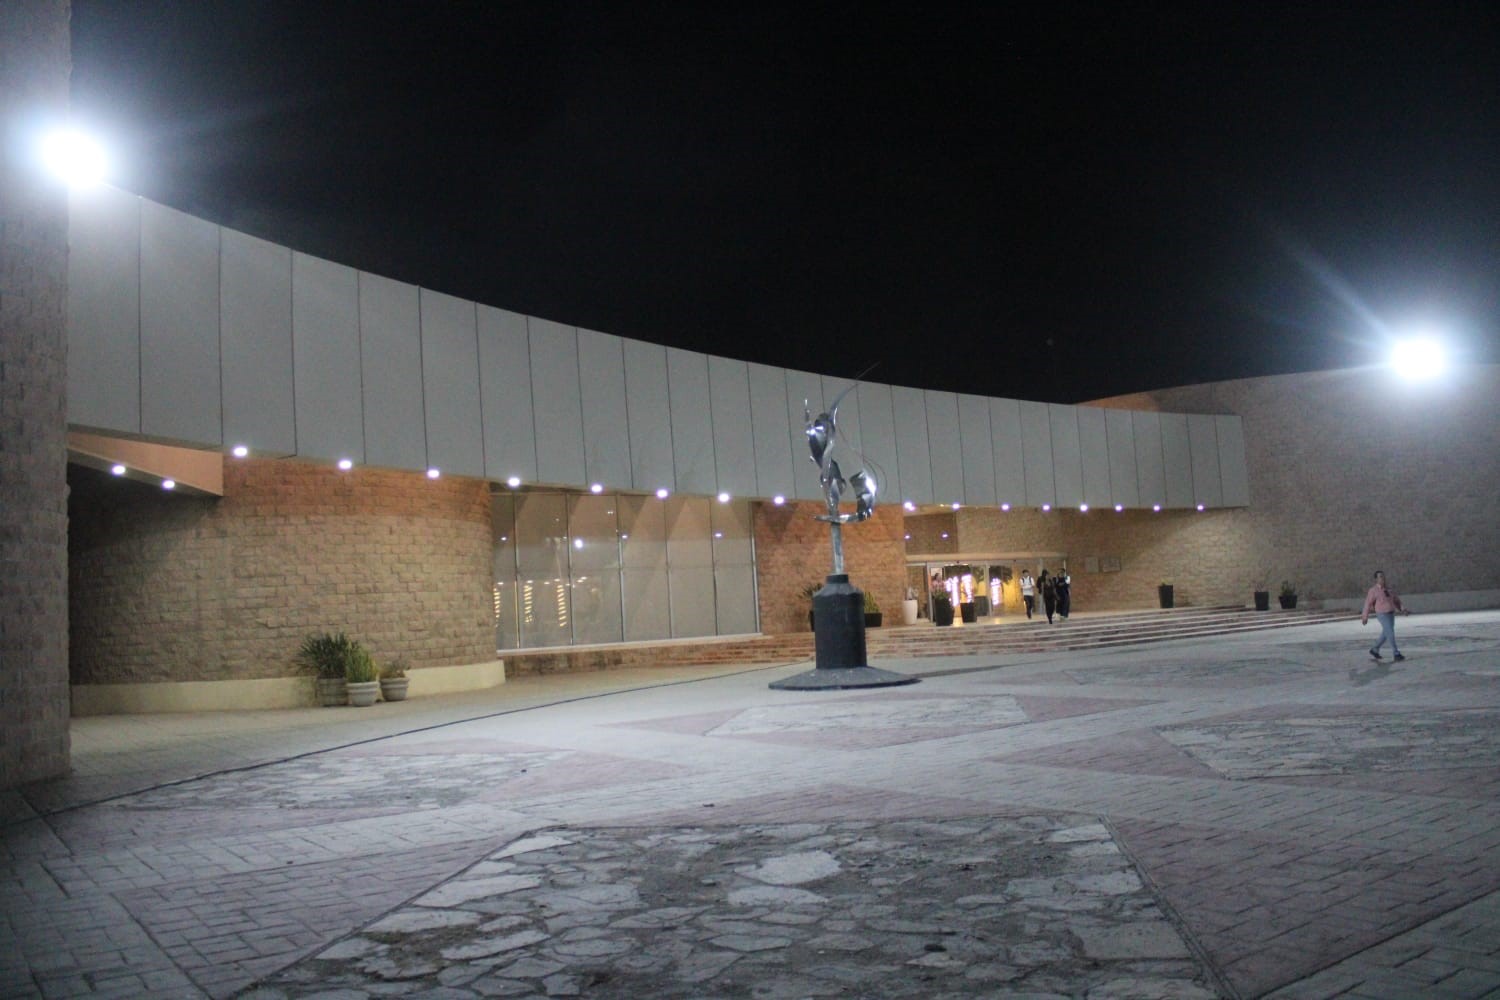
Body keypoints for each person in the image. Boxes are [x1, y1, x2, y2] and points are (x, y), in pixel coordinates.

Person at [1361, 569, 1409, 661]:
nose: (1383, 578)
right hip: (1382, 614)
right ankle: (1396, 653)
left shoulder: (1389, 590)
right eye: (1380, 577)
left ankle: (1375, 649)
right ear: (1376, 579)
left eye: (1383, 576)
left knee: (1386, 633)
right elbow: (1367, 604)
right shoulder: (1373, 591)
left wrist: (1403, 609)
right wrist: (1365, 617)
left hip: (1391, 614)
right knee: (1390, 632)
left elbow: (1396, 600)